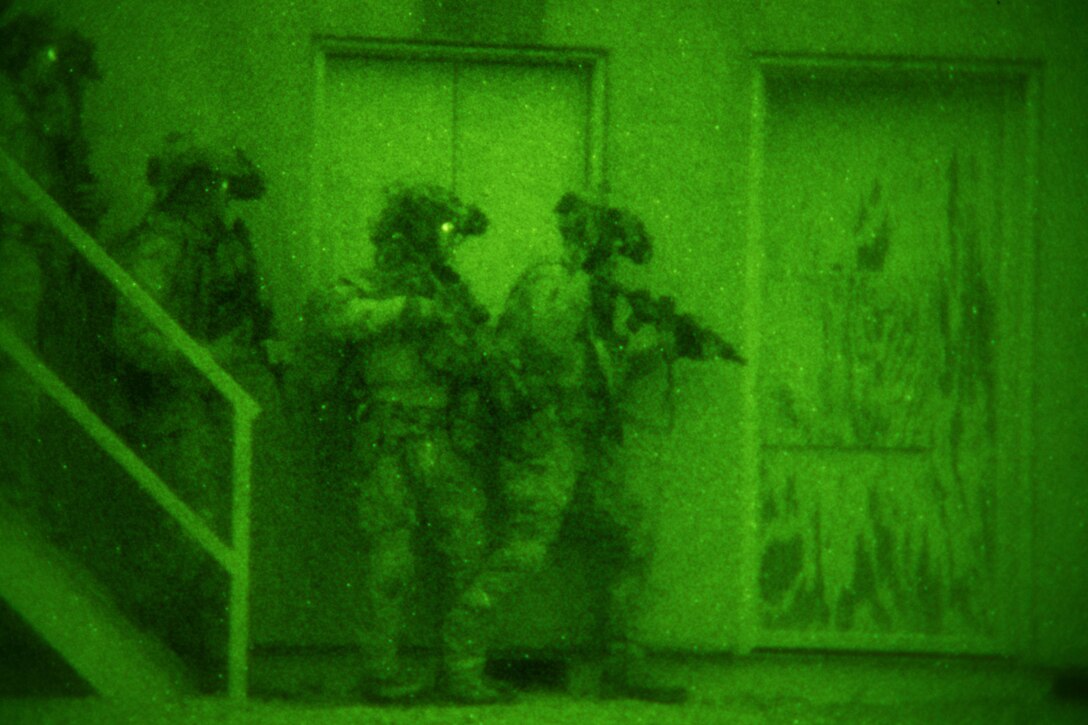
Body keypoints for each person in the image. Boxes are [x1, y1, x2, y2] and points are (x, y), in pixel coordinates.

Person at [298, 184, 501, 703]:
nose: (446, 243)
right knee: (391, 562)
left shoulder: (450, 291)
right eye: (439, 231)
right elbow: (326, 318)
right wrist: (403, 310)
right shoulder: (366, 286)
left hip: (444, 437)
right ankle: (380, 672)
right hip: (385, 436)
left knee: (468, 550)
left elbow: (478, 353)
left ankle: (462, 671)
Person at [110, 132, 274, 684]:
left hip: (212, 406)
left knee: (220, 539)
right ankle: (127, 630)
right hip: (172, 405)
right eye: (215, 185)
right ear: (191, 187)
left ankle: (209, 663)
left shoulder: (218, 244)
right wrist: (209, 357)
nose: (223, 197)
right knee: (190, 528)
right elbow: (133, 336)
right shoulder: (159, 244)